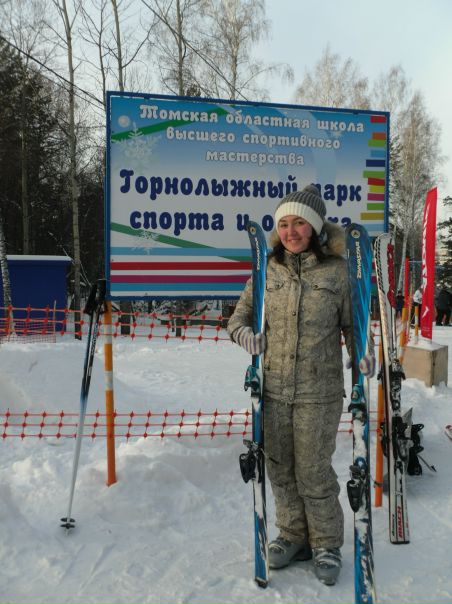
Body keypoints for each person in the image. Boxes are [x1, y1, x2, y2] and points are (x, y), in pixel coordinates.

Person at [227, 184, 374, 586]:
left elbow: (355, 327)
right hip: (273, 390)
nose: (291, 232)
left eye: (300, 224)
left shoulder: (339, 271)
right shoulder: (267, 270)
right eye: (284, 224)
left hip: (319, 392)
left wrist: (363, 354)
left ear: (315, 228)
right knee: (280, 469)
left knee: (313, 472)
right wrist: (245, 336)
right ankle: (293, 535)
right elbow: (238, 319)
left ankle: (326, 543)